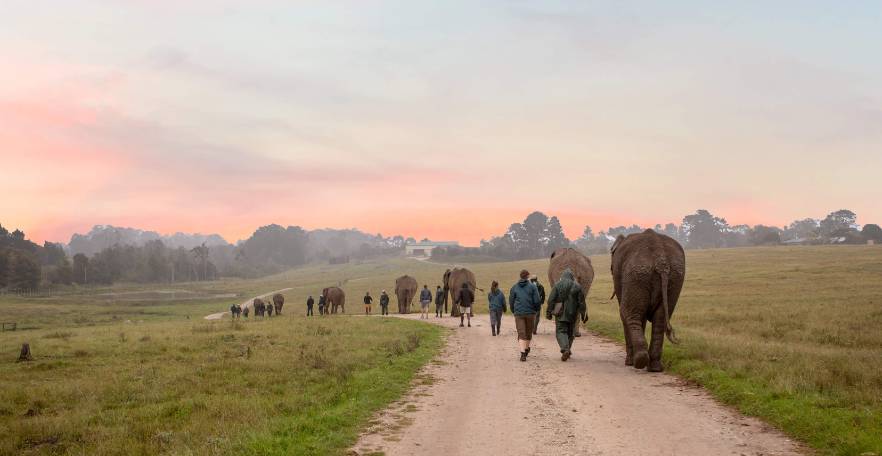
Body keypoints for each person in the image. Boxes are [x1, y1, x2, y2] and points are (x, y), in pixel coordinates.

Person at [545, 269, 587, 361]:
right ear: (572, 277)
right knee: (570, 333)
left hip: (560, 313)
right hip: (573, 314)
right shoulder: (577, 286)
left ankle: (565, 349)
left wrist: (549, 312)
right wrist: (584, 314)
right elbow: (582, 302)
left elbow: (551, 300)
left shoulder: (557, 285)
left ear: (562, 276)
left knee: (560, 331)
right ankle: (567, 349)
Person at [510, 269, 541, 361]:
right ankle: (525, 350)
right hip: (530, 313)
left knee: (521, 333)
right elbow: (537, 300)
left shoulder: (514, 287)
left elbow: (511, 301)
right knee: (528, 332)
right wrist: (536, 309)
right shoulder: (533, 287)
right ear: (528, 276)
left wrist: (514, 310)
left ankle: (523, 352)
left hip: (518, 313)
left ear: (520, 276)